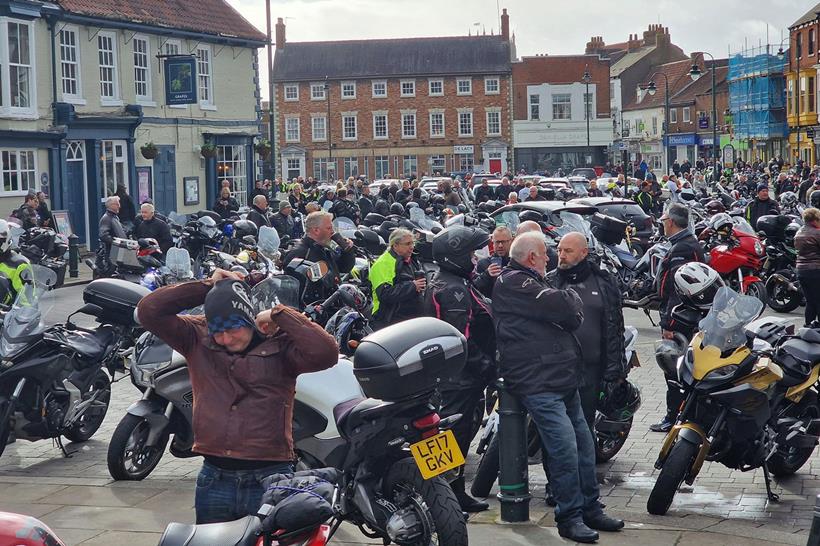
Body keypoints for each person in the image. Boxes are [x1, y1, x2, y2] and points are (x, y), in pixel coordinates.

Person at [137, 269, 338, 524]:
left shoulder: (280, 344)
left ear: (247, 319)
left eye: (233, 329)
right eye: (217, 331)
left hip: (270, 477)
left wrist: (280, 314)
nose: (225, 339)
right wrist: (207, 286)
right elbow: (149, 311)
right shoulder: (195, 337)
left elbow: (326, 353)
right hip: (215, 478)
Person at [492, 231, 623, 543]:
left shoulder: (540, 280)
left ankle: (590, 507)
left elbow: (572, 314)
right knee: (563, 449)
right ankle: (569, 517)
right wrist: (569, 303)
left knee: (584, 445)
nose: (552, 258)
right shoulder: (514, 282)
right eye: (546, 253)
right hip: (539, 382)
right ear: (532, 257)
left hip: (564, 379)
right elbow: (565, 308)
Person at [428, 225, 496, 513]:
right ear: (454, 255)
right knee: (450, 436)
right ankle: (443, 498)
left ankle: (453, 493)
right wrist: (488, 367)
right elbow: (459, 339)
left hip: (457, 379)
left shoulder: (452, 281)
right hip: (457, 380)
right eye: (470, 253)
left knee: (455, 435)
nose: (475, 258)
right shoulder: (453, 290)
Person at [549, 232, 627, 437]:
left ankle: (584, 468)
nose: (561, 255)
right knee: (556, 432)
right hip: (556, 369)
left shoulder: (604, 282)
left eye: (568, 250)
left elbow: (615, 328)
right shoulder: (551, 281)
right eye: (559, 250)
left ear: (583, 253)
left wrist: (614, 373)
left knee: (583, 427)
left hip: (590, 371)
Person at [651, 204, 705, 432]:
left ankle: (674, 418)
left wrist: (669, 324)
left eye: (664, 221)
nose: (663, 224)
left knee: (673, 370)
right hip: (686, 316)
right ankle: (683, 415)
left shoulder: (682, 248)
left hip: (681, 319)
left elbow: (677, 289)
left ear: (671, 222)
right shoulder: (687, 244)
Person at [282, 211, 355, 304]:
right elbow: (291, 292)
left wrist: (347, 251)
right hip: (314, 310)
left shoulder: (323, 248)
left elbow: (344, 268)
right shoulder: (300, 253)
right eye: (329, 228)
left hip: (331, 304)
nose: (332, 232)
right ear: (316, 230)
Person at [369, 228, 425, 330]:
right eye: (408, 244)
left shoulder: (411, 259)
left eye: (413, 243)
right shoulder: (383, 264)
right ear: (395, 245)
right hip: (388, 321)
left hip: (409, 320)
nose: (412, 247)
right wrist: (412, 286)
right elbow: (385, 294)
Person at [795, 208, 820, 327]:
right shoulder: (817, 233)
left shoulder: (799, 232)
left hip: (801, 270)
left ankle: (808, 327)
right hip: (815, 270)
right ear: (814, 220)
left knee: (810, 301)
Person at [473, 225, 513, 297]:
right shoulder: (483, 264)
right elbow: (474, 289)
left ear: (511, 241)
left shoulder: (517, 262)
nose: (500, 245)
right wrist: (487, 274)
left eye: (503, 242)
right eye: (497, 242)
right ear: (493, 243)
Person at [0, 220, 32, 305]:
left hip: (7, 313)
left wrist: (25, 313)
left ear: (5, 240)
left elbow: (26, 297)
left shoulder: (19, 263)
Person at [95, 195, 126, 276]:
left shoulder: (113, 217)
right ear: (111, 205)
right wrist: (115, 242)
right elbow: (103, 235)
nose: (119, 206)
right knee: (109, 272)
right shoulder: (107, 218)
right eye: (117, 204)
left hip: (117, 250)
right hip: (111, 252)